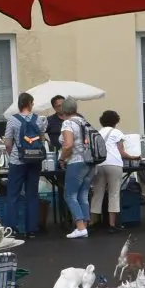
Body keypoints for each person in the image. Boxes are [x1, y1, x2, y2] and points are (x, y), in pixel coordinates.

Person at [0, 92, 46, 237]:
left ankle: (11, 229)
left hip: (18, 160)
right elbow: (42, 139)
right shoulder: (39, 120)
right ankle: (31, 229)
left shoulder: (12, 120)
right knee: (32, 194)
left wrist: (12, 154)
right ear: (30, 103)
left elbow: (8, 142)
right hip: (35, 160)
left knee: (13, 194)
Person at [58, 96, 95, 239]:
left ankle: (80, 227)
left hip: (76, 162)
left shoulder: (68, 123)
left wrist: (62, 158)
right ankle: (84, 226)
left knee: (69, 195)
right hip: (90, 162)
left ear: (63, 110)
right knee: (83, 194)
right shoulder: (84, 122)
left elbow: (68, 145)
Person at [91, 110, 126, 231]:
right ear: (116, 121)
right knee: (114, 193)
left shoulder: (97, 133)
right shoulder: (117, 132)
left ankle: (93, 222)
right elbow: (121, 152)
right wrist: (134, 157)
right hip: (114, 164)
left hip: (99, 164)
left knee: (97, 193)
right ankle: (112, 225)